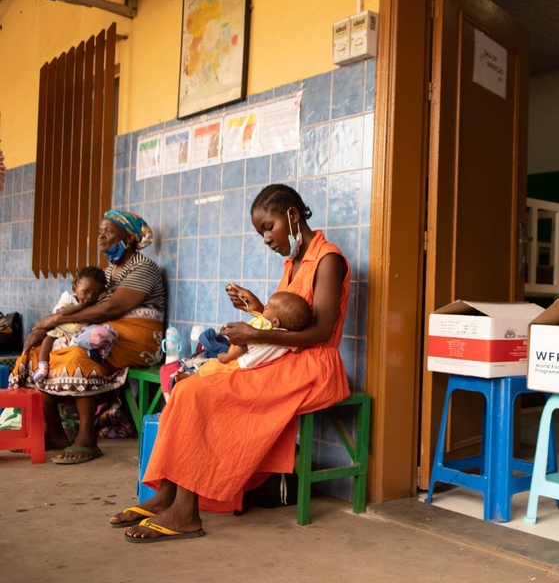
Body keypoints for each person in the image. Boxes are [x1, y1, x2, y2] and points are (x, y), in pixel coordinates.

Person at [110, 183, 351, 542]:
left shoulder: (328, 259)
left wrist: (255, 335)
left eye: (268, 227)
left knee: (201, 394)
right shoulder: (294, 262)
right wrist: (256, 309)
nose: (266, 238)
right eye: (260, 233)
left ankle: (186, 512)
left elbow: (319, 332)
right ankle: (167, 493)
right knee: (190, 381)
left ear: (292, 215)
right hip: (285, 358)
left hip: (313, 368)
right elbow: (285, 320)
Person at [10, 210, 166, 464]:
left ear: (128, 237)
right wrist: (44, 328)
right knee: (38, 353)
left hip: (139, 338)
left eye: (108, 231)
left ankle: (87, 438)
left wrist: (55, 320)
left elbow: (111, 308)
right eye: (99, 232)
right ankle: (55, 432)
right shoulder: (107, 272)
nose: (101, 237)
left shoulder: (143, 267)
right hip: (105, 331)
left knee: (77, 355)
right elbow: (84, 308)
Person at [199, 290, 312, 375]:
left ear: (275, 322)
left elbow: (244, 347)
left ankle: (190, 376)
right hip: (253, 365)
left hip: (242, 362)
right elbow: (298, 349)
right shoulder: (289, 338)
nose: (265, 307)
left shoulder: (265, 327)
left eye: (268, 307)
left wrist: (227, 357)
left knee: (210, 368)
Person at [33, 266, 108, 382]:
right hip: (62, 330)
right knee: (47, 340)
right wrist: (82, 306)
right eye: (86, 292)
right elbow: (62, 313)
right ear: (74, 288)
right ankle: (43, 366)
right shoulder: (68, 297)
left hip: (78, 335)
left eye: (95, 294)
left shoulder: (94, 304)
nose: (89, 297)